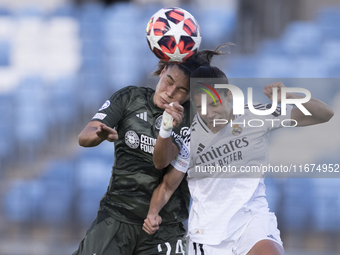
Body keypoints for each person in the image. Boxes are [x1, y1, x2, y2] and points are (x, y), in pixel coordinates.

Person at [143, 65, 334, 255]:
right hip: (207, 236)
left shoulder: (256, 117)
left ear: (229, 97)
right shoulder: (191, 138)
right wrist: (153, 212)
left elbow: (325, 114)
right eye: (200, 107)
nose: (208, 114)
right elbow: (168, 186)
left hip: (250, 221)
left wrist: (289, 96)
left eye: (214, 104)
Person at [72, 47, 226, 255]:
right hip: (116, 218)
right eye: (169, 81)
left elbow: (161, 162)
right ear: (162, 71)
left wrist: (168, 126)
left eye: (181, 90)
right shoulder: (129, 99)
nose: (170, 92)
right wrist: (99, 134)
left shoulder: (195, 119)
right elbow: (84, 137)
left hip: (166, 227)